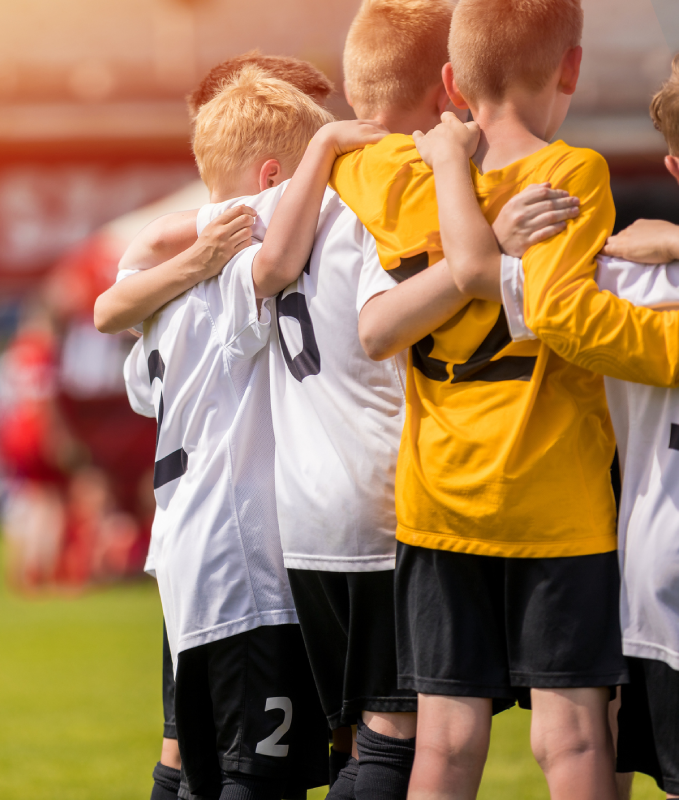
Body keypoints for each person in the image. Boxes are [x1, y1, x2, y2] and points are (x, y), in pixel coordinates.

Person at [97, 5, 576, 796]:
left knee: (201, 752)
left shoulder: (227, 238)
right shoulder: (353, 204)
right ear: (448, 89)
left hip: (250, 532)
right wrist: (485, 240)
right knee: (373, 740)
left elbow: (131, 284)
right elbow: (358, 300)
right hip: (323, 525)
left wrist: (314, 156)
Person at [327, 0, 679, 796]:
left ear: (451, 81)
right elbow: (565, 315)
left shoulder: (401, 175)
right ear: (572, 67)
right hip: (556, 498)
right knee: (576, 739)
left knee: (445, 748)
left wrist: (335, 144)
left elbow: (361, 163)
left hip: (440, 498)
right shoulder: (570, 172)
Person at [122, 65, 386, 800]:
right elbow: (270, 266)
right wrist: (331, 145)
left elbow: (138, 379)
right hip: (245, 568)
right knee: (259, 775)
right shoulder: (226, 275)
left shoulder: (162, 284)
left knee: (187, 762)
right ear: (272, 179)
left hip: (183, 560)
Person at [489, 55, 679, 800]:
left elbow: (491, 301)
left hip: (655, 570)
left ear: (671, 164)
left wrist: (502, 236)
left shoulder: (613, 276)